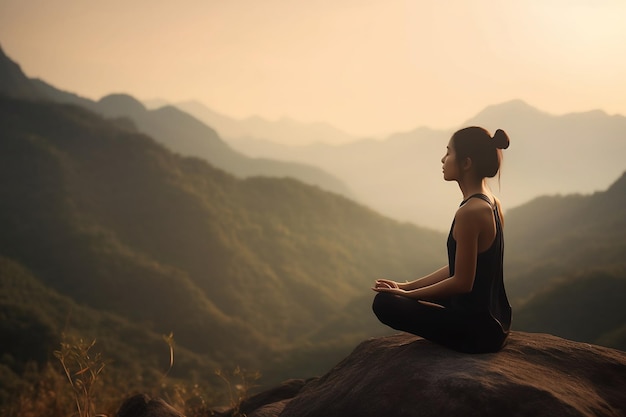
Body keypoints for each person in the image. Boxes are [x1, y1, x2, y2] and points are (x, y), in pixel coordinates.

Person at [372, 126, 512, 353]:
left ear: (466, 163)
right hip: (493, 321)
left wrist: (406, 296)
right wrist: (405, 286)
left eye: (448, 153)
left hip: (475, 330)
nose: (443, 159)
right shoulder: (491, 202)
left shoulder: (470, 212)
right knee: (393, 297)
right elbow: (460, 267)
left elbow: (461, 282)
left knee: (384, 304)